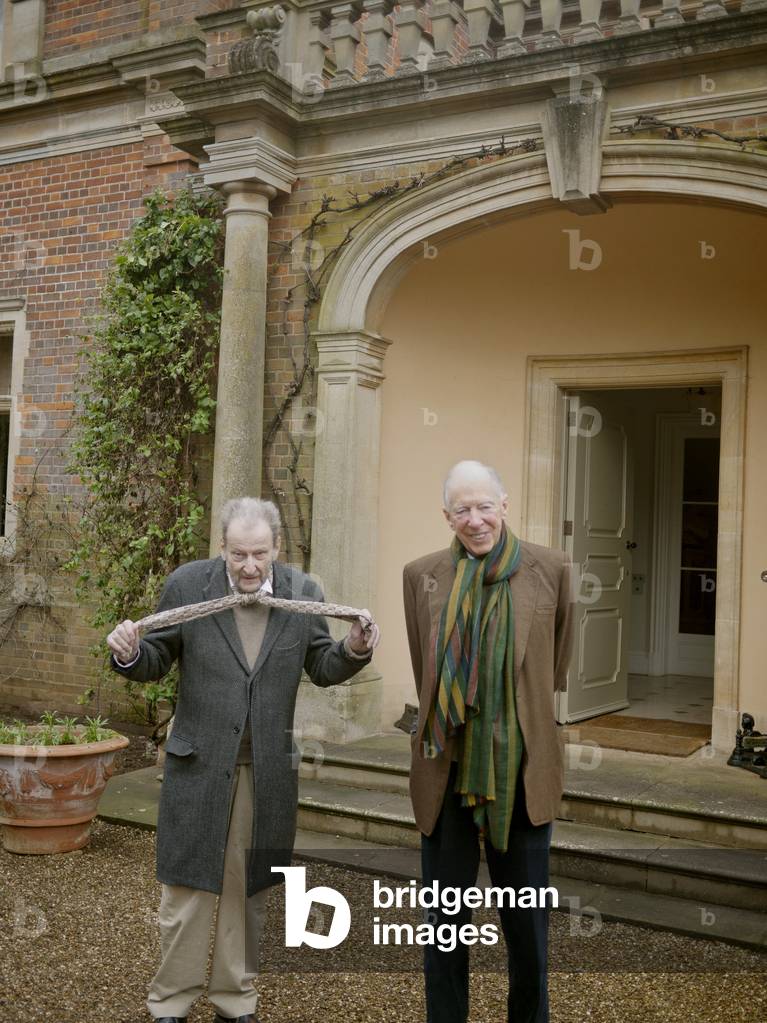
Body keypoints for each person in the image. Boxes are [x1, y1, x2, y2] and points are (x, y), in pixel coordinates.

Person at [107, 496, 380, 1023]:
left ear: (277, 547)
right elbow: (155, 658)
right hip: (200, 765)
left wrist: (354, 649)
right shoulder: (189, 585)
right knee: (186, 892)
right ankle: (171, 1000)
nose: (250, 566)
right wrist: (129, 652)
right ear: (223, 549)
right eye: (238, 555)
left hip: (268, 770)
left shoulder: (304, 594)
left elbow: (322, 666)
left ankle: (236, 999)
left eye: (260, 554)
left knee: (248, 890)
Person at [402, 460, 573, 1023]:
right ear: (446, 516)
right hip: (446, 772)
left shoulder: (551, 569)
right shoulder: (421, 574)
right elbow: (423, 662)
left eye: (484, 507)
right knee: (444, 933)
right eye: (462, 510)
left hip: (522, 776)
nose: (475, 520)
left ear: (505, 505)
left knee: (527, 933)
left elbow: (556, 665)